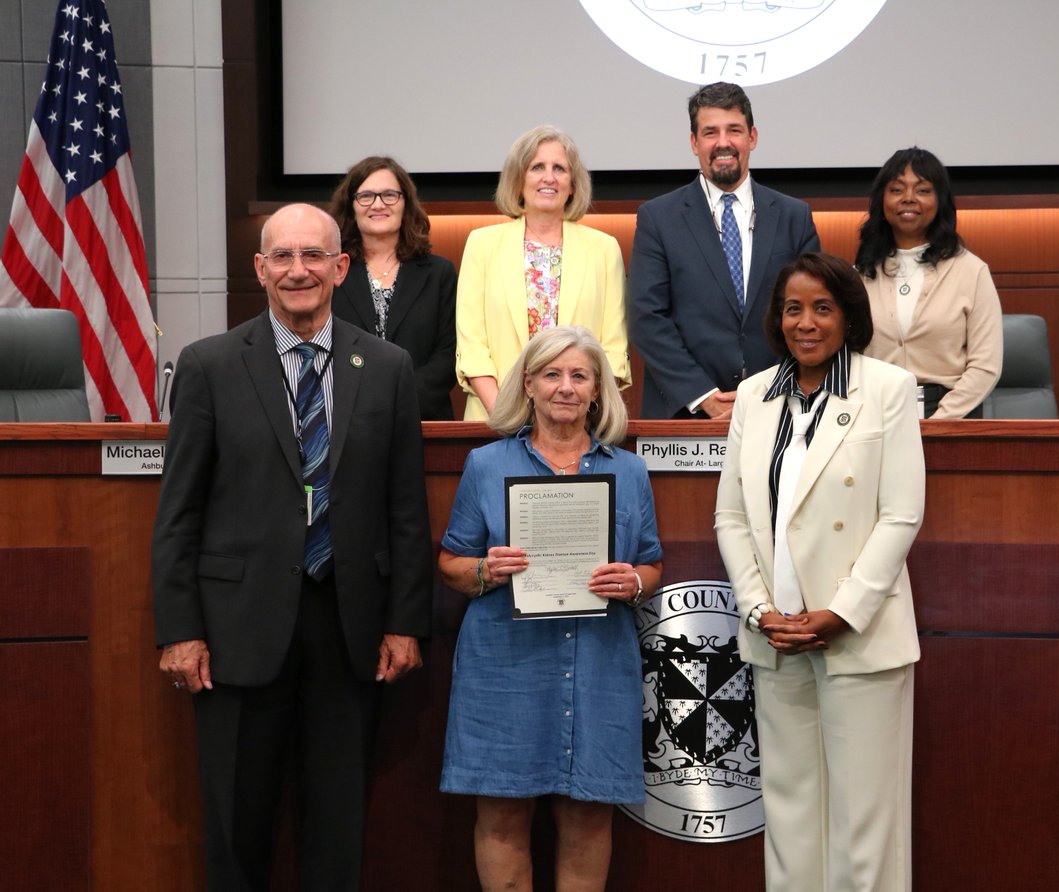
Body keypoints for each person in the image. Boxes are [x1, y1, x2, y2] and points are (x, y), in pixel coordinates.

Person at [153, 203, 432, 890]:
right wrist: (180, 629)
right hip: (236, 633)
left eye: (314, 256)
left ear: (341, 267)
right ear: (260, 269)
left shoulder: (388, 366)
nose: (298, 271)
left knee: (337, 831)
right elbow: (178, 511)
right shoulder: (210, 364)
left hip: (349, 629)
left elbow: (406, 510)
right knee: (237, 832)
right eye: (282, 257)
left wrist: (404, 620)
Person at [714, 253, 924, 892]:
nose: (806, 323)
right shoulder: (754, 394)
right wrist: (758, 610)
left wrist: (840, 613)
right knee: (791, 814)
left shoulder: (885, 387)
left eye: (822, 307)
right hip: (776, 637)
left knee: (866, 823)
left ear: (848, 316)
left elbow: (901, 515)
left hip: (856, 636)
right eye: (793, 309)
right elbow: (730, 517)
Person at [438, 325, 662, 891]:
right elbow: (450, 564)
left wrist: (632, 579)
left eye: (579, 376)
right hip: (505, 661)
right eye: (552, 375)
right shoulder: (487, 465)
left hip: (598, 661)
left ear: (596, 391)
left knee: (589, 813)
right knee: (503, 813)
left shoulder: (629, 472)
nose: (566, 387)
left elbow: (653, 565)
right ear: (530, 385)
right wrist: (488, 569)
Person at [628, 81, 822, 419]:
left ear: (752, 137)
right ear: (694, 142)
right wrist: (703, 395)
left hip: (781, 408)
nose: (723, 143)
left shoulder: (794, 216)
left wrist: (772, 391)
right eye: (710, 132)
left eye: (734, 130)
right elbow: (647, 317)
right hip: (686, 416)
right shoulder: (657, 218)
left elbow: (813, 312)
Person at [455, 125, 629, 421]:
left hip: (580, 423)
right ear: (518, 179)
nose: (549, 177)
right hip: (495, 421)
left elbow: (613, 349)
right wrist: (506, 416)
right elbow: (472, 346)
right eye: (537, 167)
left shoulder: (604, 248)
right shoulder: (481, 244)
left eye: (559, 168)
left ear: (572, 184)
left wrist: (584, 415)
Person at [855, 146, 1003, 418]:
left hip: (952, 416)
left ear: (940, 201)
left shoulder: (972, 271)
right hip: (876, 414)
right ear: (881, 201)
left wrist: (940, 422)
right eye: (897, 190)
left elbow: (985, 365)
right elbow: (848, 359)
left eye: (922, 190)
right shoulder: (860, 274)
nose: (908, 198)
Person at [330, 155, 458, 419]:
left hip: (423, 418)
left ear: (405, 203)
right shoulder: (332, 272)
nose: (378, 204)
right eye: (366, 196)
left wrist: (401, 400)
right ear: (351, 206)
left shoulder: (439, 273)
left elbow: (450, 354)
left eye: (389, 195)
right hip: (347, 420)